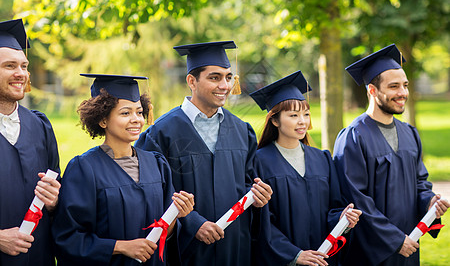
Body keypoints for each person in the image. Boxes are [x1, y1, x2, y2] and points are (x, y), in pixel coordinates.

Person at [135, 41, 273, 266]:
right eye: (215, 77)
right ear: (192, 81)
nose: (225, 85)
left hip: (234, 247)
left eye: (228, 77)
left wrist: (257, 196)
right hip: (186, 249)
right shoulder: (161, 133)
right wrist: (192, 222)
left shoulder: (241, 130)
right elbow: (153, 192)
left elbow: (247, 182)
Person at [51, 74, 195, 266]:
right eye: (125, 113)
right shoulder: (84, 169)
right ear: (103, 120)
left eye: (139, 112)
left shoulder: (157, 164)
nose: (136, 120)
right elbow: (68, 237)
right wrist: (120, 247)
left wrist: (177, 216)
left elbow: (165, 233)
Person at [333, 44, 449, 266]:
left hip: (409, 245)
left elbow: (420, 183)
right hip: (371, 253)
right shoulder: (354, 137)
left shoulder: (409, 133)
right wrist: (395, 240)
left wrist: (429, 202)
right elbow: (357, 201)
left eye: (405, 85)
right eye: (394, 86)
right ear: (372, 91)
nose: (403, 93)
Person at [249, 70, 361, 266]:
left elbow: (334, 207)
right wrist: (294, 255)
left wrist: (342, 219)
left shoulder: (322, 159)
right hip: (282, 258)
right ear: (275, 120)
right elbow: (261, 221)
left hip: (322, 257)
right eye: (293, 115)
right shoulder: (259, 161)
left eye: (306, 114)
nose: (302, 121)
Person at [0, 18, 61, 266]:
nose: (21, 74)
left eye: (24, 66)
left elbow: (58, 190)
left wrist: (55, 200)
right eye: (9, 65)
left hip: (38, 258)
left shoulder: (40, 126)